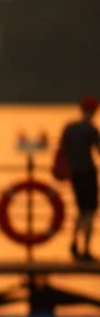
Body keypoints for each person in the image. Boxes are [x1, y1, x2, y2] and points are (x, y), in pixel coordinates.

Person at [60, 96, 100, 261]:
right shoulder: (91, 130)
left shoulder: (70, 128)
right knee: (89, 212)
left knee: (80, 211)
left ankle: (74, 242)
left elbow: (63, 150)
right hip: (88, 173)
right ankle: (86, 249)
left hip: (75, 174)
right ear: (92, 111)